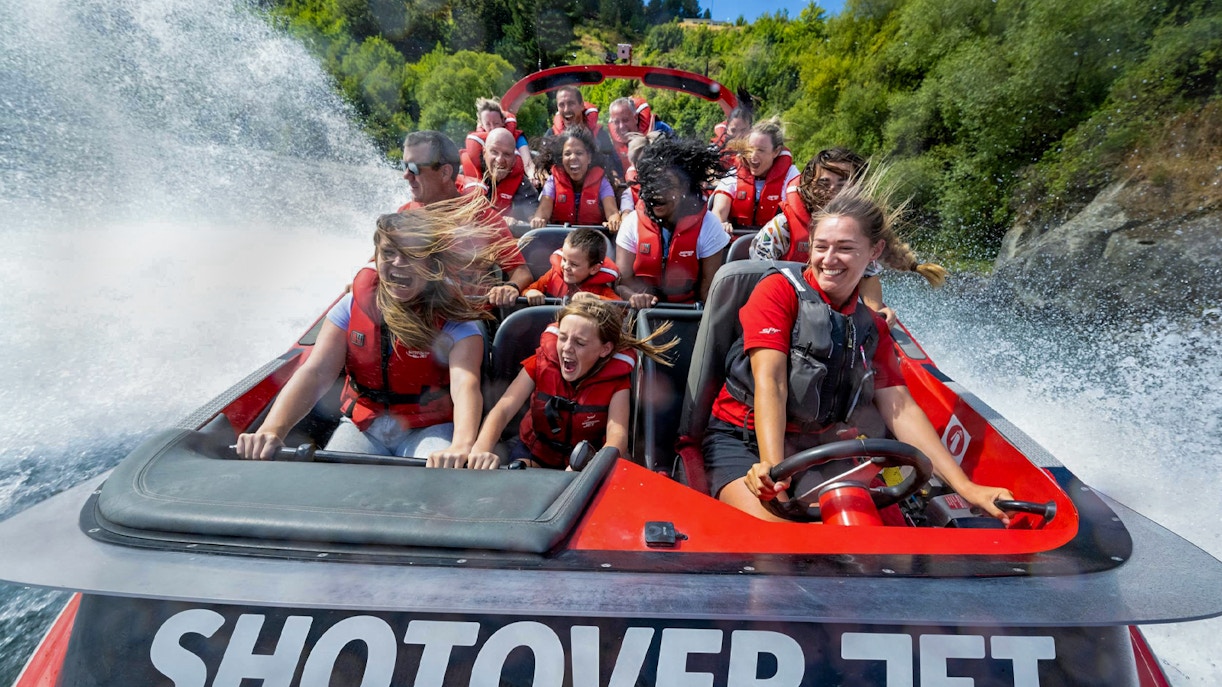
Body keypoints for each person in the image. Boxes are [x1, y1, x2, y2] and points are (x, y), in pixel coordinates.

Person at [701, 175, 1013, 521]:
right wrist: (775, 471)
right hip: (742, 443)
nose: (829, 259)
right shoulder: (776, 292)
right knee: (782, 537)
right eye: (821, 246)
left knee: (869, 533)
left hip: (819, 448)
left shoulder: (871, 325)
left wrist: (964, 486)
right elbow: (770, 383)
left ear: (874, 251)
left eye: (845, 248)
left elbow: (900, 408)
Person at [236, 202, 516, 469]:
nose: (397, 263)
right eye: (388, 253)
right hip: (364, 425)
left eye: (410, 254)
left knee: (439, 482)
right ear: (376, 257)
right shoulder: (351, 306)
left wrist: (461, 445)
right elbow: (316, 373)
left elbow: (465, 386)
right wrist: (273, 429)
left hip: (429, 428)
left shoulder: (457, 322)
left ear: (430, 265)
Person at [468, 299, 677, 469]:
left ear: (604, 349)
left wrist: (588, 466)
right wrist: (482, 449)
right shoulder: (541, 363)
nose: (567, 348)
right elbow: (504, 409)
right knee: (517, 473)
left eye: (579, 343)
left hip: (587, 460)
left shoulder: (617, 382)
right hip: (534, 454)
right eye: (563, 338)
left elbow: (617, 436)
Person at [750, 148, 945, 325]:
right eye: (823, 183)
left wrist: (876, 313)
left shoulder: (861, 235)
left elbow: (868, 277)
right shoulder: (781, 227)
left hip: (835, 317)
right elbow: (756, 276)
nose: (833, 191)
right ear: (809, 186)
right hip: (783, 309)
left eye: (843, 184)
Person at [397, 130, 532, 307]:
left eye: (414, 168)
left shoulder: (482, 218)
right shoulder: (405, 214)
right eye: (404, 166)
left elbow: (521, 271)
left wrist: (510, 287)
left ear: (445, 173)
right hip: (416, 312)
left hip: (462, 316)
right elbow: (380, 263)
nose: (406, 175)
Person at [615, 137, 730, 308]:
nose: (657, 192)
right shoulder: (632, 222)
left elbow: (708, 291)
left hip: (690, 313)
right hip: (642, 312)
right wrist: (634, 297)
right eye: (652, 184)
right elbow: (622, 282)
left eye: (667, 185)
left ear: (684, 187)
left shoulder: (709, 225)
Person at [711, 118, 799, 232]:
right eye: (750, 149)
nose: (753, 156)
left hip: (775, 244)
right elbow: (719, 211)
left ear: (776, 152)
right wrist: (721, 223)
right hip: (736, 242)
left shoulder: (791, 176)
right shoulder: (734, 174)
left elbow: (798, 213)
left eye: (760, 150)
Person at [529, 128, 621, 233]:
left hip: (592, 241)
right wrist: (538, 220)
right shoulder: (552, 181)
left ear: (589, 158)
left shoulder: (602, 182)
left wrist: (614, 220)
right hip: (559, 239)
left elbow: (612, 212)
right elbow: (543, 212)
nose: (573, 158)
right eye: (567, 154)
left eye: (579, 153)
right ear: (562, 159)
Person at [463, 127, 539, 227]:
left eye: (507, 154)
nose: (500, 160)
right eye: (494, 152)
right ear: (484, 152)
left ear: (514, 159)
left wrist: (534, 219)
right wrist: (499, 219)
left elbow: (533, 213)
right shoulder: (463, 176)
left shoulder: (522, 183)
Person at [522, 228, 620, 304]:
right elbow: (528, 289)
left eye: (574, 264)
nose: (565, 267)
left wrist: (596, 299)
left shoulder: (600, 289)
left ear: (594, 269)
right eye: (564, 259)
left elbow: (622, 308)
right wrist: (529, 293)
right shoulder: (553, 275)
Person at [606, 96, 673, 173]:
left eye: (625, 120)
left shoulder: (660, 129)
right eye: (616, 122)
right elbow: (617, 169)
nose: (621, 127)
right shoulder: (615, 145)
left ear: (635, 118)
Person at [473, 97, 533, 177]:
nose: (493, 128)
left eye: (496, 123)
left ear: (503, 121)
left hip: (516, 181)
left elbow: (528, 165)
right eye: (488, 124)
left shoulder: (518, 139)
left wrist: (533, 176)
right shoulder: (477, 143)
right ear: (482, 125)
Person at [710, 103, 753, 172]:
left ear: (751, 130)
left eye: (743, 130)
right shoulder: (715, 151)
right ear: (727, 130)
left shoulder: (759, 150)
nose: (738, 135)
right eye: (733, 130)